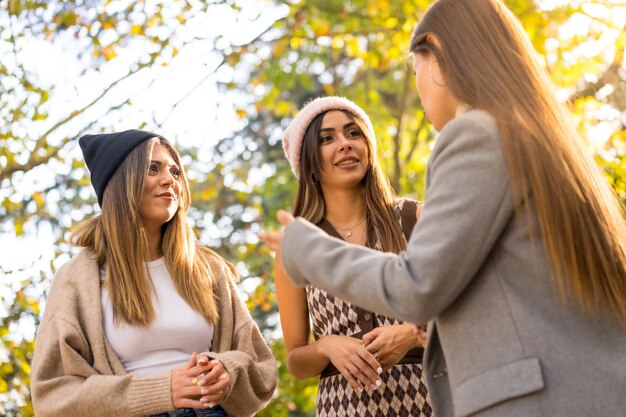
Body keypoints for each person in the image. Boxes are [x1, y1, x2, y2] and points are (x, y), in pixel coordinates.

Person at [259, 0, 626, 416]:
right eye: (327, 139)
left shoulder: (472, 136)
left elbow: (417, 286)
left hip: (533, 397)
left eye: (415, 72)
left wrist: (305, 249)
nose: (419, 92)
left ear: (435, 57)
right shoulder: (539, 136)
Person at [31, 130, 277, 417]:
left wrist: (228, 369)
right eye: (153, 168)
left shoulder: (208, 269)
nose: (170, 180)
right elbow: (52, 395)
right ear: (121, 182)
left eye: (175, 171)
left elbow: (262, 367)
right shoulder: (78, 278)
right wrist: (161, 392)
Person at [276, 96, 432, 416]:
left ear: (368, 148)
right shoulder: (297, 246)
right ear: (308, 163)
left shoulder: (415, 219)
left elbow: (469, 307)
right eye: (327, 138)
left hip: (429, 397)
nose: (344, 144)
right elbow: (295, 360)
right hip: (343, 407)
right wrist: (325, 346)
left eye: (353, 133)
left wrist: (410, 335)